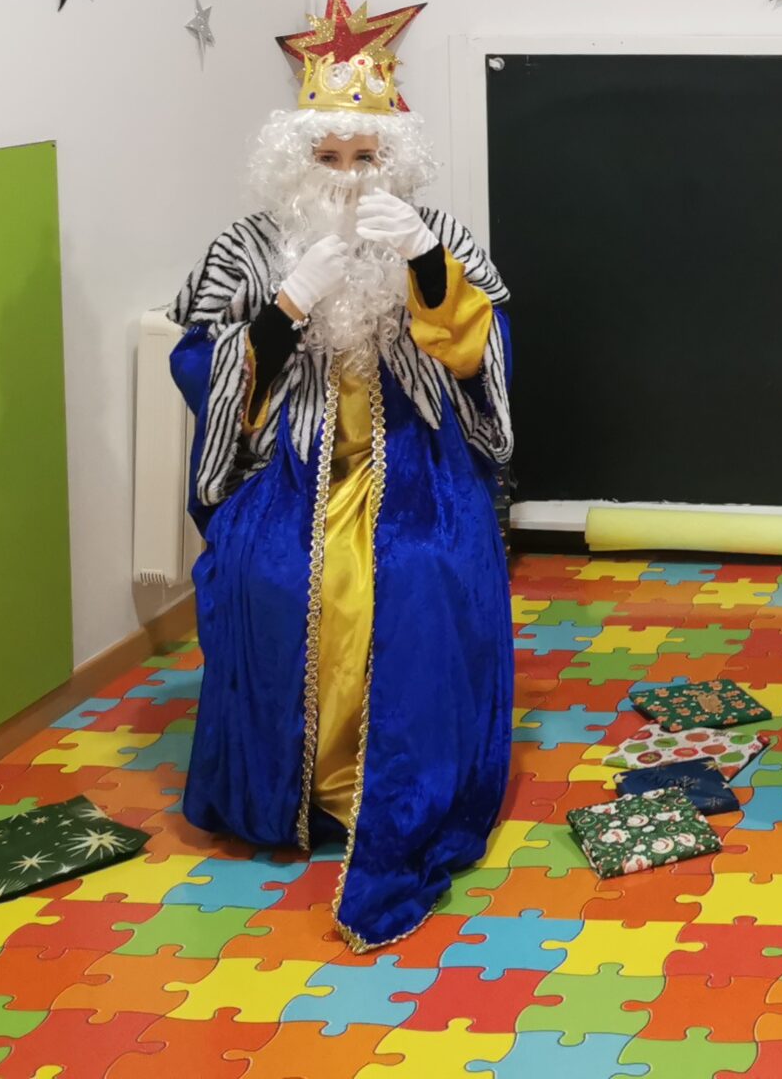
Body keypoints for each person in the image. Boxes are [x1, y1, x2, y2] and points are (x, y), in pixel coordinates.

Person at [170, 50, 515, 949]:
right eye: (329, 159)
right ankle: (304, 794)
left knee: (425, 570)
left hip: (417, 458)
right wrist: (283, 308)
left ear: (395, 160)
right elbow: (199, 368)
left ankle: (402, 789)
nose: (350, 178)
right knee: (276, 574)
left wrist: (428, 264)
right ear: (297, 161)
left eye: (367, 158)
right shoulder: (247, 245)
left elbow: (484, 355)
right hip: (287, 466)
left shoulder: (436, 231)